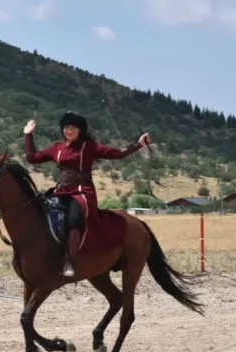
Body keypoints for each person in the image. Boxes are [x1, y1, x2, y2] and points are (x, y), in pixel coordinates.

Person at [23, 111, 151, 277]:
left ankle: (70, 260)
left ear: (80, 130)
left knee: (75, 217)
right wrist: (28, 135)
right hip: (61, 191)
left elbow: (118, 154)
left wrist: (139, 144)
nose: (68, 131)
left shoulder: (89, 146)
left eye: (73, 128)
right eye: (66, 127)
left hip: (82, 192)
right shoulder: (57, 148)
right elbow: (31, 158)